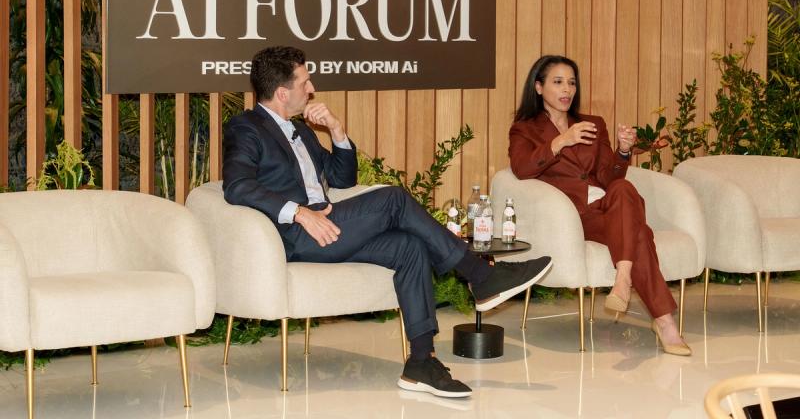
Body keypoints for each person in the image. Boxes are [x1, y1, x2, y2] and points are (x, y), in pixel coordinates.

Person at [223, 46, 554, 398]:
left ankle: (422, 361)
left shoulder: (301, 132)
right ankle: (481, 275)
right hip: (298, 234)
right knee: (393, 198)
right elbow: (237, 186)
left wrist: (336, 130)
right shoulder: (247, 128)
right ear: (282, 93)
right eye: (305, 82)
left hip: (331, 225)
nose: (312, 88)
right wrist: (300, 213)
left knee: (410, 248)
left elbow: (343, 179)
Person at [508, 55, 691, 356]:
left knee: (623, 187)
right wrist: (561, 141)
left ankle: (623, 277)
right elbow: (522, 169)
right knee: (639, 233)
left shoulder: (593, 124)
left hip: (609, 205)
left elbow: (609, 177)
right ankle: (664, 322)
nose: (567, 89)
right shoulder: (524, 129)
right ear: (538, 87)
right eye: (558, 82)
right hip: (573, 216)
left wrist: (623, 151)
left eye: (571, 82)